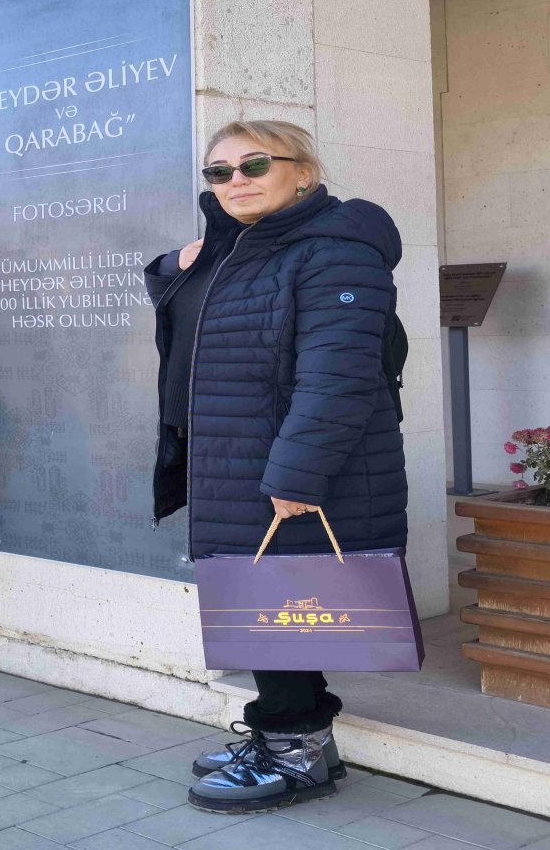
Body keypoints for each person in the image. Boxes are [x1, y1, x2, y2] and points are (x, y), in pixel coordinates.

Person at [145, 121, 408, 813]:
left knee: (283, 606)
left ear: (304, 172)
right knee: (265, 607)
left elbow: (339, 374)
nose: (236, 181)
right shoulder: (247, 248)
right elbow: (201, 327)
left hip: (286, 465)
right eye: (219, 172)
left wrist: (298, 474)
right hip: (235, 454)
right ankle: (288, 738)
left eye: (254, 164)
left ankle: (299, 751)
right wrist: (179, 267)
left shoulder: (335, 252)